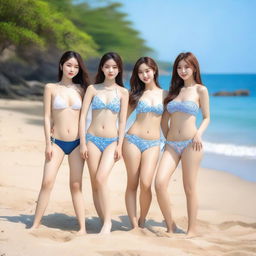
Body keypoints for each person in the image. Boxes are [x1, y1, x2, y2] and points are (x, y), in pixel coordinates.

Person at [30, 51, 90, 234]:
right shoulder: (51, 88)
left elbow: (87, 117)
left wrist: (86, 143)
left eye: (76, 66)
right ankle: (35, 224)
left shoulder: (82, 89)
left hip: (77, 143)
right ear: (61, 66)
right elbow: (47, 117)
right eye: (69, 65)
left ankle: (82, 228)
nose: (72, 69)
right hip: (56, 142)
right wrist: (48, 143)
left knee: (76, 185)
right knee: (47, 182)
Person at [155, 52, 210, 237]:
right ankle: (171, 226)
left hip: (190, 144)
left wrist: (199, 135)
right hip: (171, 144)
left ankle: (192, 230)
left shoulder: (201, 90)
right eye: (179, 67)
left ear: (194, 67)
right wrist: (167, 138)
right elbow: (164, 120)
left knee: (189, 187)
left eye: (187, 67)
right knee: (159, 183)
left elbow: (207, 117)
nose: (183, 70)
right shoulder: (173, 92)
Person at [79, 52, 128, 234]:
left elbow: (122, 121)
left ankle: (108, 222)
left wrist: (119, 145)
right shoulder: (93, 89)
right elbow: (83, 116)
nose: (111, 70)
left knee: (101, 179)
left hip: (111, 141)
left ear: (119, 70)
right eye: (107, 66)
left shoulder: (123, 92)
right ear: (102, 68)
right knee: (94, 182)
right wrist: (83, 143)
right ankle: (102, 219)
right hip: (92, 139)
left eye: (115, 67)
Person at [122, 57, 167, 229]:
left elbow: (166, 122)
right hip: (132, 140)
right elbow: (122, 119)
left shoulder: (166, 94)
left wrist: (176, 143)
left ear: (154, 70)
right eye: (140, 72)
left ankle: (142, 219)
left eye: (147, 71)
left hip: (154, 143)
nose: (144, 75)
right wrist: (116, 143)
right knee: (132, 183)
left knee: (146, 184)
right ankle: (135, 224)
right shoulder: (136, 94)